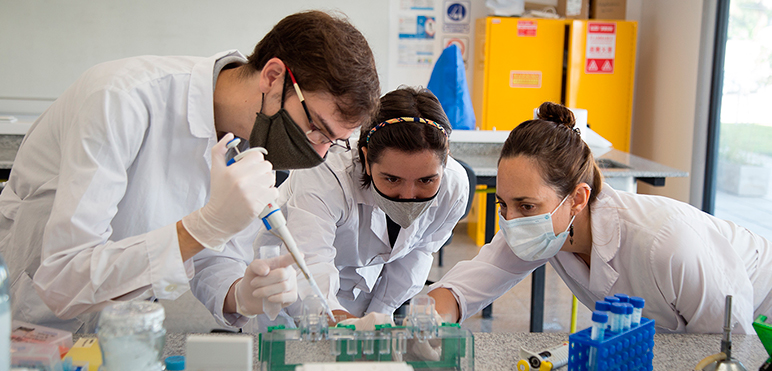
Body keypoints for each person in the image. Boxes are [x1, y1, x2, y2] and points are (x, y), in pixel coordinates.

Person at [0, 10, 380, 332]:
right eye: (316, 127)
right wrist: (203, 228)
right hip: (27, 326)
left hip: (121, 335)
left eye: (334, 142)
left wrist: (241, 293)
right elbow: (63, 279)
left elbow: (212, 258)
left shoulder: (258, 141)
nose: (316, 152)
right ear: (273, 77)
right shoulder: (121, 100)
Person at [427, 101, 772, 334]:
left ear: (577, 198)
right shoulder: (543, 228)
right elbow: (465, 289)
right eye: (503, 205)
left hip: (759, 313)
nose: (512, 221)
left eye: (526, 206)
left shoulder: (663, 241)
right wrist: (418, 326)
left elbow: (728, 344)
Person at [251, 87, 469, 332]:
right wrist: (347, 326)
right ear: (366, 158)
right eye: (392, 179)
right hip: (291, 290)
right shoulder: (325, 174)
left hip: (362, 293)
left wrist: (378, 322)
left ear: (446, 158)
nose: (408, 196)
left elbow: (416, 255)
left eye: (426, 181)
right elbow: (309, 266)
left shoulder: (454, 187)